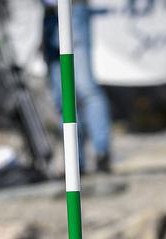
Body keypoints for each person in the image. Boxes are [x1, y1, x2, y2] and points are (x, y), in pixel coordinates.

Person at [41, 0, 112, 173]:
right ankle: (75, 162)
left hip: (72, 11)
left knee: (86, 89)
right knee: (61, 97)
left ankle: (101, 153)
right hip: (48, 16)